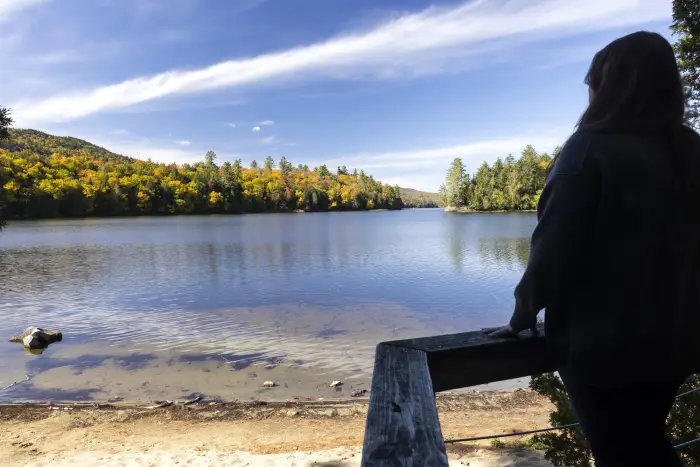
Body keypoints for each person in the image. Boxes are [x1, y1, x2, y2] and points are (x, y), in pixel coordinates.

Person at [487, 31, 700, 467]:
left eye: (592, 82)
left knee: (620, 451)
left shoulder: (590, 149)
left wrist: (523, 314)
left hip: (602, 346)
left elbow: (552, 246)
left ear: (609, 88)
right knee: (644, 442)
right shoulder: (691, 150)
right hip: (678, 339)